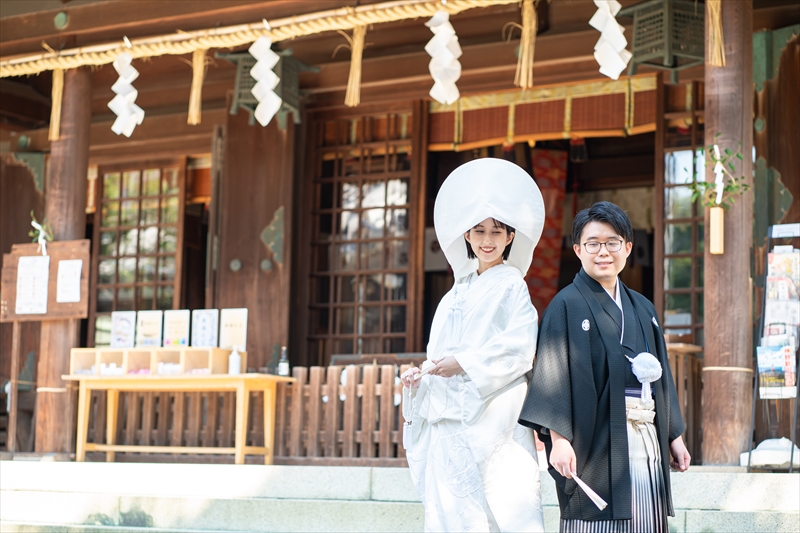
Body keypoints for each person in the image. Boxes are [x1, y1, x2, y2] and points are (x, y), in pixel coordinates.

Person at [519, 201, 691, 533]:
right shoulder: (565, 305)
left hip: (644, 435)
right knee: (595, 517)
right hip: (592, 439)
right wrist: (559, 439)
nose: (603, 252)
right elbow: (554, 374)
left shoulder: (643, 308)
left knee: (644, 515)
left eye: (612, 242)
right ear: (578, 249)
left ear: (627, 247)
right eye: (593, 243)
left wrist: (674, 435)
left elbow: (662, 378)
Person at [401, 158, 547, 533]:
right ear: (466, 235)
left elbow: (519, 349)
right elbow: (438, 355)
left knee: (495, 510)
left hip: (491, 416)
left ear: (510, 237)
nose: (487, 240)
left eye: (497, 232)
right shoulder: (453, 294)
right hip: (448, 421)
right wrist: (421, 375)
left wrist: (463, 363)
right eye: (479, 231)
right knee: (451, 513)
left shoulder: (513, 285)